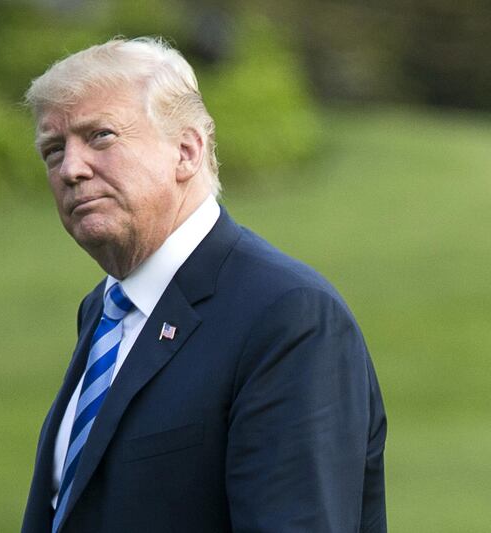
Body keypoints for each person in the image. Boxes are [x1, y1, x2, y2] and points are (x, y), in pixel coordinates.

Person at [21, 37, 386, 533]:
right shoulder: (106, 310)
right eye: (54, 149)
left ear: (187, 151)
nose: (71, 169)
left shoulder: (288, 315)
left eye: (101, 136)